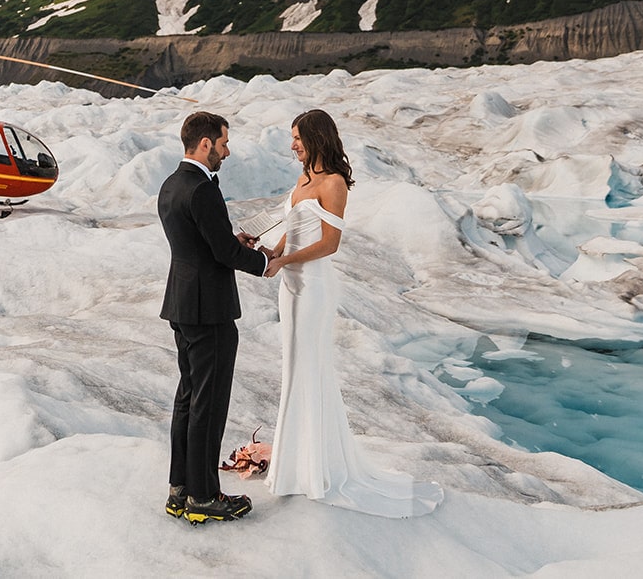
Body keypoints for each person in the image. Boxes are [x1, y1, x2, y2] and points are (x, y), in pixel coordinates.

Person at [260, 109, 443, 516]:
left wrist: (287, 261)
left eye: (297, 138)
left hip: (315, 286)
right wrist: (275, 251)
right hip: (290, 286)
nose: (292, 145)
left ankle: (317, 470)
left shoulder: (334, 183)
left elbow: (330, 243)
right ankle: (294, 468)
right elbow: (293, 224)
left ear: (315, 138)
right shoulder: (303, 179)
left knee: (311, 367)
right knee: (293, 368)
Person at [158, 110, 271, 524]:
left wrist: (231, 240)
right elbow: (222, 254)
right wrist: (262, 262)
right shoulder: (201, 189)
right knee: (209, 403)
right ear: (205, 144)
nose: (227, 150)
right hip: (209, 310)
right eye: (223, 143)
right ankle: (204, 497)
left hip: (183, 304)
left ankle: (181, 489)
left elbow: (202, 243)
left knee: (188, 398)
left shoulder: (172, 184)